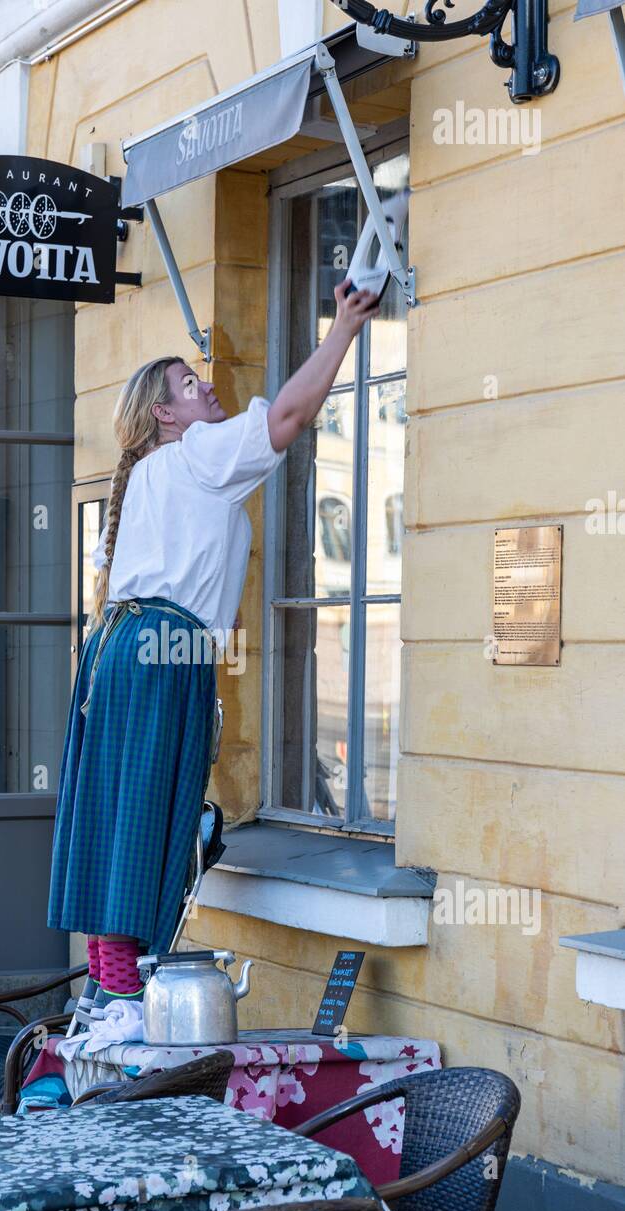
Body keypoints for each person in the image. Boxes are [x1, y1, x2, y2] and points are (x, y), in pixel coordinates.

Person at [47, 279, 380, 1024]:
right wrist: (346, 327)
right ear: (165, 414)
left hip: (117, 647)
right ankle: (128, 993)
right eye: (191, 386)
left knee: (121, 807)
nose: (208, 389)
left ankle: (112, 980)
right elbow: (290, 414)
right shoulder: (196, 452)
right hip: (162, 645)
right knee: (152, 806)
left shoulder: (148, 475)